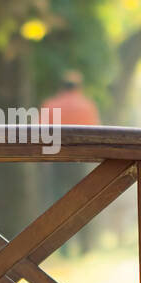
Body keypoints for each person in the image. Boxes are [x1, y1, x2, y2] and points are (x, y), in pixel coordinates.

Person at [41, 71, 101, 252]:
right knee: (82, 201)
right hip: (81, 160)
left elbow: (42, 133)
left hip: (58, 160)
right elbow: (96, 132)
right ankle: (85, 245)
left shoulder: (50, 105)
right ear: (79, 87)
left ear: (61, 86)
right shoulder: (87, 106)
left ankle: (63, 247)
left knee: (59, 203)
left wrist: (45, 160)